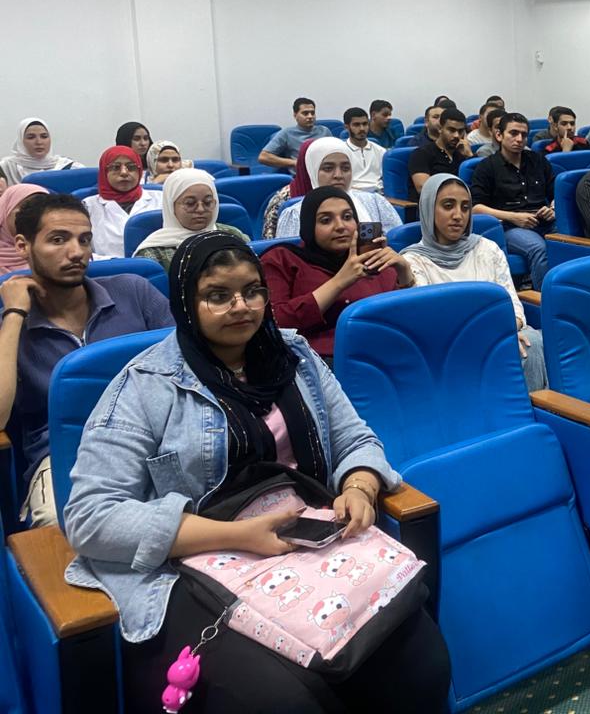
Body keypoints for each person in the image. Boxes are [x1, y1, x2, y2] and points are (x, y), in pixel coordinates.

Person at [62, 230, 451, 713]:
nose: (241, 307)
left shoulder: (295, 356)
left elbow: (356, 439)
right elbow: (91, 516)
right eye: (217, 296)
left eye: (252, 291)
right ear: (185, 304)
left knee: (421, 667)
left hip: (309, 541)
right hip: (198, 560)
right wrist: (235, 535)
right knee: (286, 701)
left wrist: (359, 485)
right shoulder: (145, 386)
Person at [0, 193, 173, 527]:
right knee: (67, 526)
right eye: (58, 240)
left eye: (84, 239)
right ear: (23, 245)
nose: (77, 252)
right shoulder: (10, 322)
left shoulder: (133, 292)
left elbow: (190, 365)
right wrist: (15, 313)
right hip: (63, 454)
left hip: (155, 438)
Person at [402, 175, 548, 391]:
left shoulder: (487, 249)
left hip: (502, 334)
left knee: (533, 342)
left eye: (465, 207)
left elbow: (514, 308)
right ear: (428, 209)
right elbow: (433, 326)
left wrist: (503, 333)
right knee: (528, 346)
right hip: (450, 349)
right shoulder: (413, 261)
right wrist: (491, 337)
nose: (458, 215)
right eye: (448, 206)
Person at [263, 187, 411, 363]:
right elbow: (277, 323)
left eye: (347, 217)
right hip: (315, 362)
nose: (340, 226)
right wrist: (340, 281)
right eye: (326, 220)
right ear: (309, 225)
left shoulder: (370, 259)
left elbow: (402, 318)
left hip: (382, 354)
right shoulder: (282, 259)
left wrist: (404, 273)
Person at [470, 113, 556, 290]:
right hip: (509, 226)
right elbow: (476, 208)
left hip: (543, 220)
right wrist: (513, 217)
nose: (519, 139)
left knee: (574, 242)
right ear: (499, 135)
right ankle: (545, 299)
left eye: (524, 135)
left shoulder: (538, 161)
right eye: (513, 133)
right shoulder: (487, 167)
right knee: (538, 249)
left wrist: (553, 208)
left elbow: (556, 193)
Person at [276, 139, 403, 240]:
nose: (338, 175)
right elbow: (288, 260)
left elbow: (398, 243)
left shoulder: (374, 203)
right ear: (313, 171)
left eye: (345, 168)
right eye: (328, 168)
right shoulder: (296, 215)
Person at [134, 169, 250, 272]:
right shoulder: (153, 252)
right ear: (171, 206)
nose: (200, 209)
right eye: (190, 203)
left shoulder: (233, 235)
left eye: (208, 202)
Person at [82, 146, 163, 258]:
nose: (124, 172)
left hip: (156, 266)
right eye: (115, 167)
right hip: (107, 267)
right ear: (104, 171)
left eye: (131, 167)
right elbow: (81, 249)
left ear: (139, 171)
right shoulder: (88, 207)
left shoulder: (161, 199)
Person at [258, 97, 332, 172]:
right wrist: (294, 163)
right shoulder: (287, 133)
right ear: (295, 115)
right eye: (305, 113)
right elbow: (263, 157)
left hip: (325, 173)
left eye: (312, 113)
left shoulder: (324, 131)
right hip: (302, 174)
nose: (310, 116)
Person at [1, 117, 82, 185]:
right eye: (31, 137)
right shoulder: (7, 167)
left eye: (44, 136)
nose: (39, 142)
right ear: (21, 141)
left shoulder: (69, 167)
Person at [408, 107, 470, 194]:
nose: (456, 135)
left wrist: (469, 155)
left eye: (460, 131)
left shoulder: (461, 155)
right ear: (440, 128)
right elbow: (423, 188)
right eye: (451, 130)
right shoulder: (421, 153)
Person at [0, 183, 48, 275]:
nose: (35, 216)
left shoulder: (56, 254)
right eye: (26, 209)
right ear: (4, 211)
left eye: (43, 210)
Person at [342, 106, 385, 194]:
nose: (362, 128)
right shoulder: (340, 152)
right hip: (352, 195)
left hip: (379, 194)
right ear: (346, 127)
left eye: (365, 124)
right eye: (356, 125)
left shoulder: (381, 151)